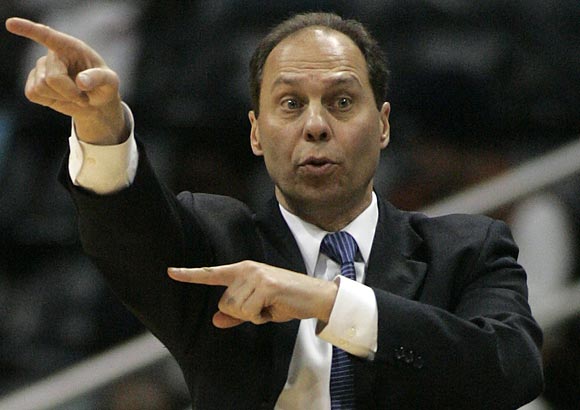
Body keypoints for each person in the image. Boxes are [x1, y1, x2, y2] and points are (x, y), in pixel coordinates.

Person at [5, 12, 543, 410]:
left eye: (341, 102)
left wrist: (329, 301)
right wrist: (100, 124)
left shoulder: (469, 247)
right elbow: (127, 228)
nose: (315, 125)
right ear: (257, 134)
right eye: (289, 104)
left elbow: (511, 369)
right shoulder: (218, 242)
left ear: (382, 125)